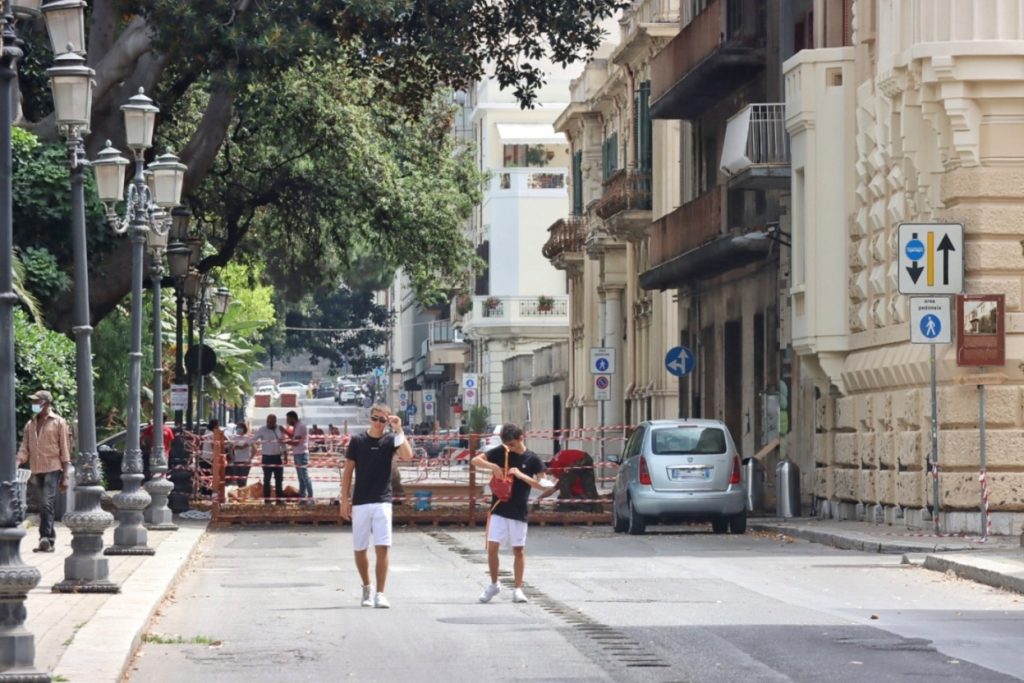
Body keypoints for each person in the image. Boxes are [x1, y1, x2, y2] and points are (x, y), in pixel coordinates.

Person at [340, 403, 414, 609]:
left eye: (383, 420)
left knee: (383, 546)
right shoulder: (357, 440)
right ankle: (367, 587)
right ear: (370, 417)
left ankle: (381, 592)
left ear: (388, 420)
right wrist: (344, 499)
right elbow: (348, 472)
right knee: (360, 548)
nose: (379, 423)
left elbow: (408, 455)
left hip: (383, 500)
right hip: (361, 500)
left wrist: (399, 428)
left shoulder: (391, 440)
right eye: (375, 418)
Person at [473, 423, 546, 604]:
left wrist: (521, 475)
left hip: (519, 509)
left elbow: (542, 485)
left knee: (518, 550)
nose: (510, 447)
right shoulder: (502, 451)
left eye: (512, 444)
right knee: (492, 547)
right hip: (499, 506)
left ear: (521, 437)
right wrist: (493, 466)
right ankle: (494, 583)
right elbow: (475, 460)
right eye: (507, 444)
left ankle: (518, 588)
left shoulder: (533, 459)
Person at [17, 390, 71, 553]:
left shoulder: (59, 422)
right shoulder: (30, 424)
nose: (33, 405)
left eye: (36, 401)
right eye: (33, 402)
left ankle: (45, 538)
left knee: (47, 502)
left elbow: (65, 449)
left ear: (46, 403)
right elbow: (24, 448)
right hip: (36, 469)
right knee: (43, 505)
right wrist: (17, 462)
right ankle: (48, 540)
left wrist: (66, 476)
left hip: (52, 467)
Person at [537, 448, 602, 513]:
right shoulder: (555, 462)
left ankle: (567, 507)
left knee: (564, 485)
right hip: (586, 458)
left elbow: (559, 485)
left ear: (547, 468)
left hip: (580, 460)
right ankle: (598, 510)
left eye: (546, 473)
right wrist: (540, 497)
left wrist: (539, 498)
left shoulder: (555, 467)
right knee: (589, 486)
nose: (549, 475)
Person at [255, 414, 287, 504]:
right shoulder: (262, 429)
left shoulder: (279, 429)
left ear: (275, 422)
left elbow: (283, 443)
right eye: (268, 421)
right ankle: (267, 501)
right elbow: (253, 439)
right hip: (267, 457)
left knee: (279, 479)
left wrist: (286, 455)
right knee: (267, 480)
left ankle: (279, 500)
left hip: (277, 457)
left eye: (271, 422)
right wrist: (243, 443)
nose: (269, 423)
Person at [285, 411, 313, 504]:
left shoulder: (301, 426)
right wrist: (284, 431)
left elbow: (296, 442)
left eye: (288, 419)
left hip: (301, 454)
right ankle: (302, 497)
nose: (287, 421)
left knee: (304, 477)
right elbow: (293, 437)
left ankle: (310, 497)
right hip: (297, 453)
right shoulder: (296, 426)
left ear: (293, 418)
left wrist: (284, 442)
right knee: (301, 477)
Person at [227, 422, 255, 488]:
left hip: (245, 462)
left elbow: (255, 449)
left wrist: (250, 459)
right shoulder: (234, 438)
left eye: (240, 428)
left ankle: (243, 494)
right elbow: (229, 448)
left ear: (244, 429)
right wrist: (232, 457)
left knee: (243, 481)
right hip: (236, 461)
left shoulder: (248, 438)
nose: (239, 429)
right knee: (239, 481)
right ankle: (241, 494)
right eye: (238, 428)